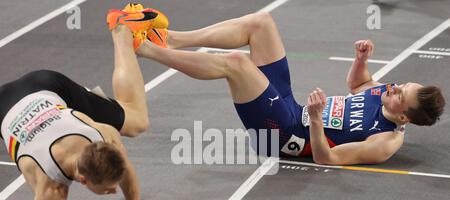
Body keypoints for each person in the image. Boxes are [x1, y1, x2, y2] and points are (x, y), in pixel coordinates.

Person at [132, 8, 445, 165]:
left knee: (237, 64)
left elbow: (328, 160)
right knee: (262, 23)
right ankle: (173, 38)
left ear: (404, 117)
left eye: (400, 94)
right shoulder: (381, 92)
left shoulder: (385, 142)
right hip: (293, 109)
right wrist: (361, 60)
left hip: (284, 136)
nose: (393, 88)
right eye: (401, 85)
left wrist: (318, 118)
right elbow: (359, 84)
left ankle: (145, 49)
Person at [0, 8, 168, 200]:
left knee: (136, 122)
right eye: (108, 189)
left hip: (48, 86)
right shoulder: (51, 188)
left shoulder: (104, 136)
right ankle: (123, 29)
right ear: (82, 178)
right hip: (5, 106)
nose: (113, 191)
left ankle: (123, 28)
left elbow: (123, 167)